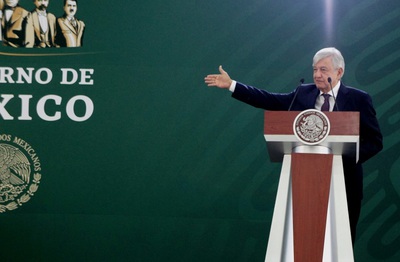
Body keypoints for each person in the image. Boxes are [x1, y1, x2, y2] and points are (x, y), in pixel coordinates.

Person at [204, 47, 383, 244]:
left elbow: (375, 141)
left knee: (340, 242)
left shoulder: (359, 99)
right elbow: (269, 99)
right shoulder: (302, 93)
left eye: (323, 70)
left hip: (344, 183)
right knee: (303, 241)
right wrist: (232, 85)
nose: (317, 75)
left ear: (339, 72)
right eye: (315, 69)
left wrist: (343, 159)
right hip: (304, 180)